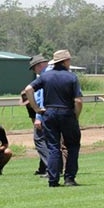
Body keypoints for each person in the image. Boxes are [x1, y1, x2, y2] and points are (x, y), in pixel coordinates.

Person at [23, 49, 83, 187]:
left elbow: (28, 90)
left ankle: (53, 180)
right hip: (67, 113)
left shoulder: (46, 77)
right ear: (65, 61)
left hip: (49, 113)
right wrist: (76, 116)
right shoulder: (71, 77)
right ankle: (69, 178)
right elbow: (78, 101)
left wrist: (36, 108)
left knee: (53, 147)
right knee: (72, 145)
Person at [23, 54, 50, 176]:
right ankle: (48, 168)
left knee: (39, 140)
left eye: (34, 69)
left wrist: (38, 116)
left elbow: (43, 98)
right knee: (51, 141)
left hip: (45, 113)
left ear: (39, 65)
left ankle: (51, 168)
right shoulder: (58, 73)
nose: (35, 72)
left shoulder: (44, 77)